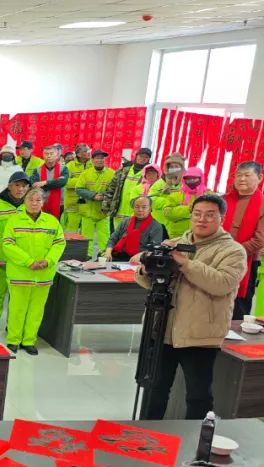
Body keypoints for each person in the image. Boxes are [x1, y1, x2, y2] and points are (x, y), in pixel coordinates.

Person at [133, 193, 246, 420]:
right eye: (197, 214)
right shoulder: (174, 244)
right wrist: (146, 269)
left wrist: (186, 264)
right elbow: (148, 282)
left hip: (200, 334)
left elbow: (222, 284)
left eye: (210, 215)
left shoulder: (232, 250)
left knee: (198, 395)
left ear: (222, 218)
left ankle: (196, 438)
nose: (202, 219)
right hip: (163, 328)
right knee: (155, 389)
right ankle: (146, 434)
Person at [2, 188, 66, 354]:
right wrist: (28, 262)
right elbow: (8, 244)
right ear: (24, 201)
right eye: (31, 199)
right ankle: (13, 340)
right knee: (17, 309)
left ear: (43, 202)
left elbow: (59, 243)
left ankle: (29, 341)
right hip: (20, 274)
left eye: (38, 200)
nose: (34, 203)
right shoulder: (14, 221)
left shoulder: (52, 221)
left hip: (43, 275)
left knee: (37, 310)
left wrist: (48, 260)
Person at [0, 171, 29, 333]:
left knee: (17, 297)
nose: (20, 189)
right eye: (17, 185)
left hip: (22, 262)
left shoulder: (29, 207)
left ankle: (13, 327)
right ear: (9, 186)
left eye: (24, 186)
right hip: (0, 260)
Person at [224, 161, 264, 318]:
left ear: (260, 178)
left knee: (238, 309)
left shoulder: (262, 203)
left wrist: (232, 252)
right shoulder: (224, 200)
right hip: (217, 258)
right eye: (238, 175)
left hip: (245, 261)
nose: (241, 179)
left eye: (247, 175)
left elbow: (259, 240)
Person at [76, 149, 116, 258]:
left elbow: (115, 189)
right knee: (86, 237)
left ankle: (104, 256)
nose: (100, 160)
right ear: (92, 160)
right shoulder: (85, 174)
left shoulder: (112, 173)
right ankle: (86, 256)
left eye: (102, 158)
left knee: (105, 237)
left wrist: (103, 195)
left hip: (104, 212)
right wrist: (93, 195)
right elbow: (78, 189)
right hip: (87, 211)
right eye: (97, 158)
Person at [104, 196, 165, 262]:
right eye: (137, 207)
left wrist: (141, 255)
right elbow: (113, 239)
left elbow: (155, 249)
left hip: (141, 260)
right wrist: (108, 251)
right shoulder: (125, 221)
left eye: (144, 207)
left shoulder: (156, 226)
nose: (140, 210)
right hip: (118, 255)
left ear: (150, 209)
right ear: (133, 208)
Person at [157, 166, 209, 241]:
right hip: (177, 237)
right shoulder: (175, 195)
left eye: (194, 178)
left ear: (201, 178)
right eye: (188, 179)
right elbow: (167, 213)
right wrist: (189, 209)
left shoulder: (208, 196)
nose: (191, 181)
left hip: (202, 237)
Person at [30, 145, 68, 219]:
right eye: (46, 154)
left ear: (56, 155)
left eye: (51, 153)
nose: (49, 156)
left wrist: (44, 183)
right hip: (41, 202)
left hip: (59, 203)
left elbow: (62, 182)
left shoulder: (63, 169)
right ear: (43, 156)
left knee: (56, 223)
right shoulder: (37, 170)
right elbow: (34, 185)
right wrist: (55, 182)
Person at [63, 143, 92, 233]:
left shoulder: (93, 164)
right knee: (72, 229)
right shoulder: (70, 165)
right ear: (79, 154)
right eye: (86, 151)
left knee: (86, 230)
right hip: (73, 203)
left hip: (89, 203)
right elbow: (65, 182)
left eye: (89, 150)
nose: (89, 152)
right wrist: (82, 181)